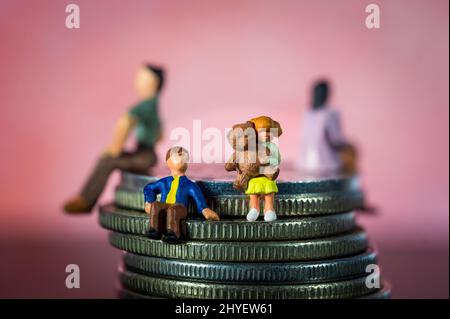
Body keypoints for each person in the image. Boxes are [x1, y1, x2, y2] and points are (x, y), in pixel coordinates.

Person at [63, 63, 164, 213]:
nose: (136, 81)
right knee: (110, 160)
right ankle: (84, 199)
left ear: (153, 82)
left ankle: (85, 201)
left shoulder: (146, 105)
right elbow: (160, 134)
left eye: (141, 77)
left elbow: (125, 121)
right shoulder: (153, 105)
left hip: (145, 156)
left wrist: (115, 147)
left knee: (108, 160)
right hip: (145, 153)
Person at [144, 147, 220, 244]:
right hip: (165, 204)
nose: (181, 158)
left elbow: (198, 196)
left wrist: (204, 209)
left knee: (173, 210)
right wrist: (149, 201)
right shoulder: (164, 182)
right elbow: (149, 188)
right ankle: (154, 230)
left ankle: (174, 233)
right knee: (156, 205)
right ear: (168, 162)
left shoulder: (189, 184)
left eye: (184, 157)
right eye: (176, 156)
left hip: (180, 207)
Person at [298, 80, 350, 176]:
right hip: (319, 165)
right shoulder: (326, 113)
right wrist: (345, 145)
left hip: (314, 165)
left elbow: (334, 139)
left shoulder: (310, 113)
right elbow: (335, 139)